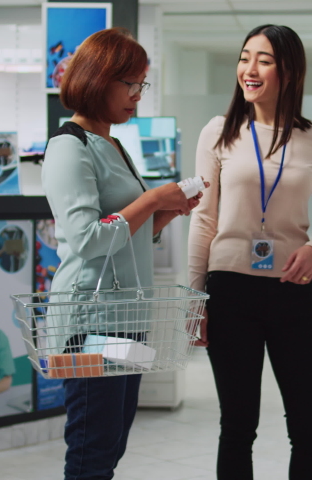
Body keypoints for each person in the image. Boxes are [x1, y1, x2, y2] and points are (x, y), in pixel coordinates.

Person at [41, 27, 207, 480]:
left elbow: (126, 236)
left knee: (112, 444)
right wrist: (152, 199)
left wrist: (167, 214)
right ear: (98, 79)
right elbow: (89, 239)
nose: (137, 95)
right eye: (129, 83)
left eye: (141, 84)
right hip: (88, 323)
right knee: (91, 449)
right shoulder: (67, 147)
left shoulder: (112, 144)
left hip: (126, 317)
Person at [188, 24, 312, 480]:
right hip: (230, 291)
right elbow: (204, 219)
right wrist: (196, 299)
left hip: (292, 291)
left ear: (289, 72)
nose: (249, 69)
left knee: (310, 429)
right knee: (237, 427)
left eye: (264, 60)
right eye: (244, 57)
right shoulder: (218, 132)